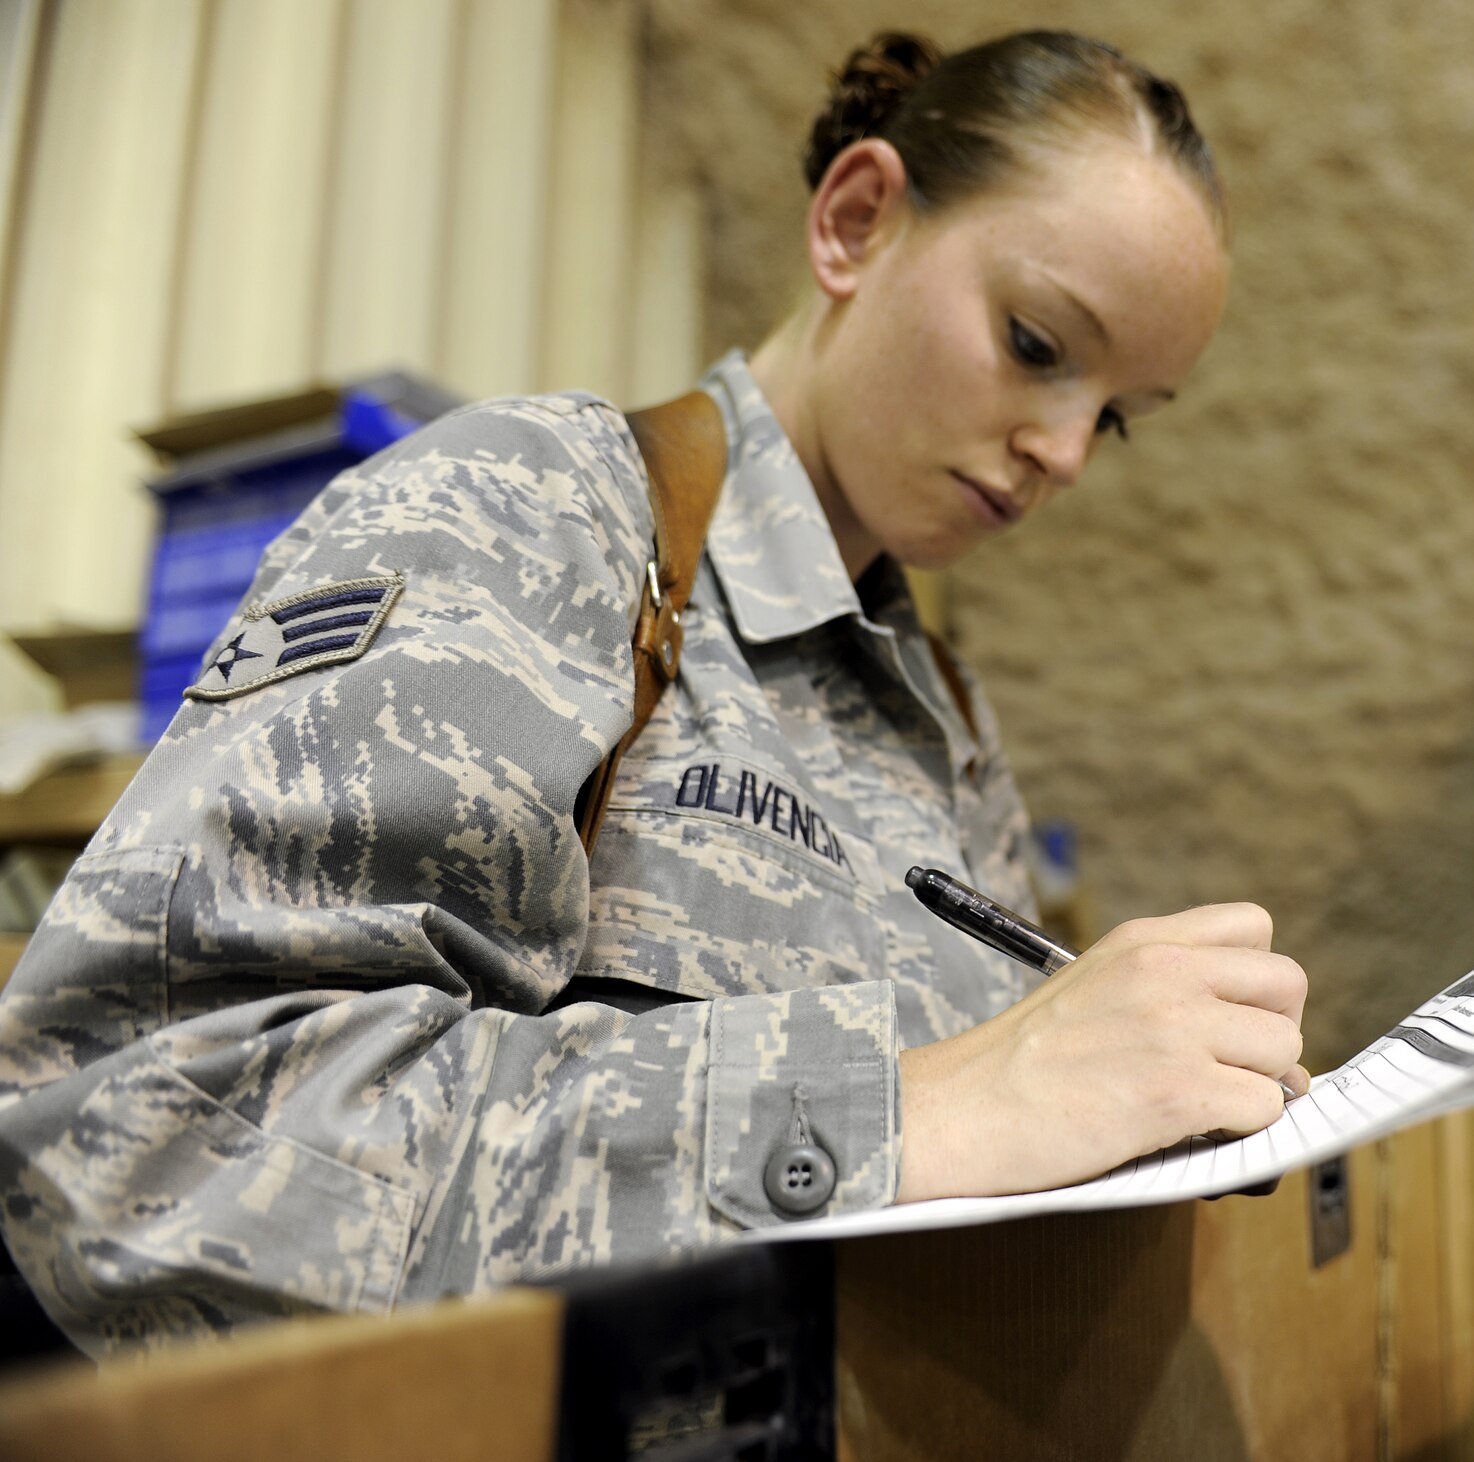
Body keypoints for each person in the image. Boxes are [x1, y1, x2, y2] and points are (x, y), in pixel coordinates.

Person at [0, 29, 1309, 1358]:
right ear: (856, 223)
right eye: (1037, 344)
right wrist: (917, 1105)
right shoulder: (539, 514)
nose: (1066, 451)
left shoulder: (947, 726)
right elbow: (161, 1152)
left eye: (1120, 414)